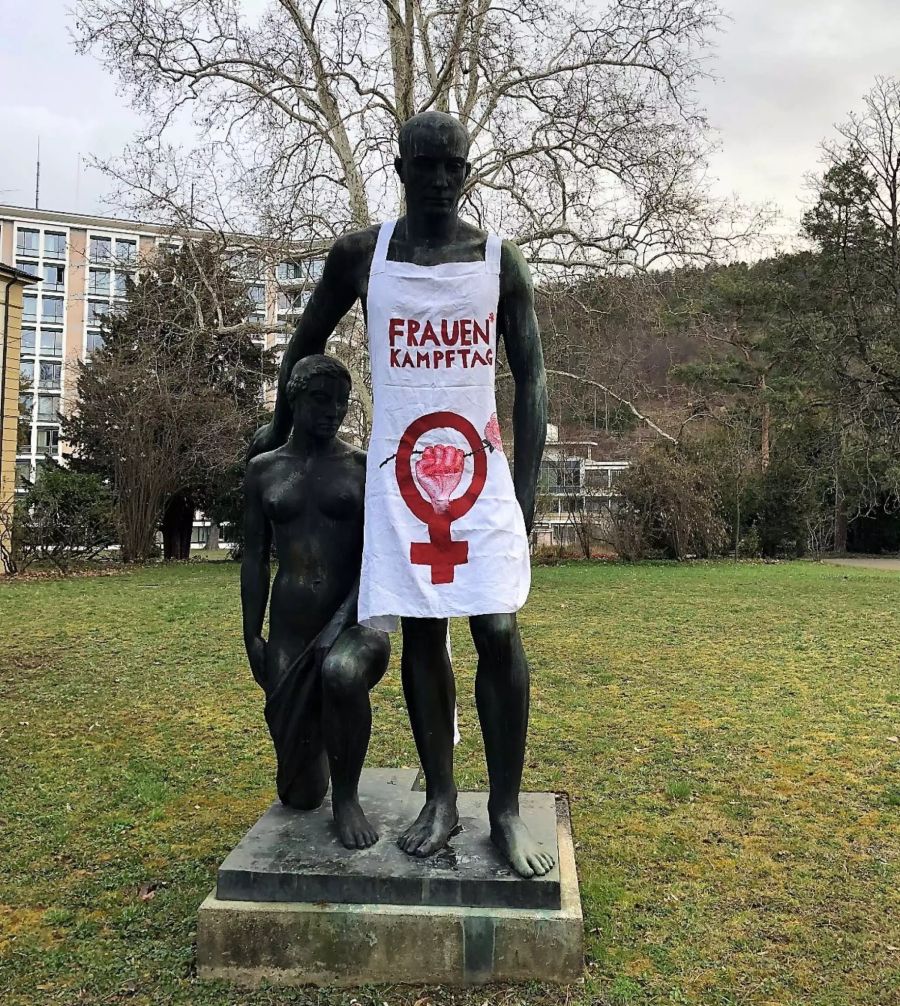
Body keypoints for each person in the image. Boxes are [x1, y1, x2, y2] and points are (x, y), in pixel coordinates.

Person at [249, 111, 554, 878]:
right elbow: (303, 342)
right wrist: (281, 428)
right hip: (399, 477)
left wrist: (521, 495)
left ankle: (507, 810)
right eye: (426, 164)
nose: (441, 178)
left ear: (469, 172)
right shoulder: (362, 256)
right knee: (422, 634)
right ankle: (443, 798)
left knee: (498, 630)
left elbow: (533, 378)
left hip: (478, 479)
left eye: (454, 165)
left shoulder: (497, 261)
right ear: (399, 167)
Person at [242, 354, 389, 849]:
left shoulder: (361, 467)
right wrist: (251, 634)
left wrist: (341, 622)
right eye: (321, 400)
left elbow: (378, 556)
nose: (333, 412)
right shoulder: (263, 470)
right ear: (294, 397)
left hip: (356, 624)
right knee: (301, 795)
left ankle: (348, 798)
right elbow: (255, 558)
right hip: (289, 631)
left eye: (342, 403)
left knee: (341, 674)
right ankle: (324, 748)